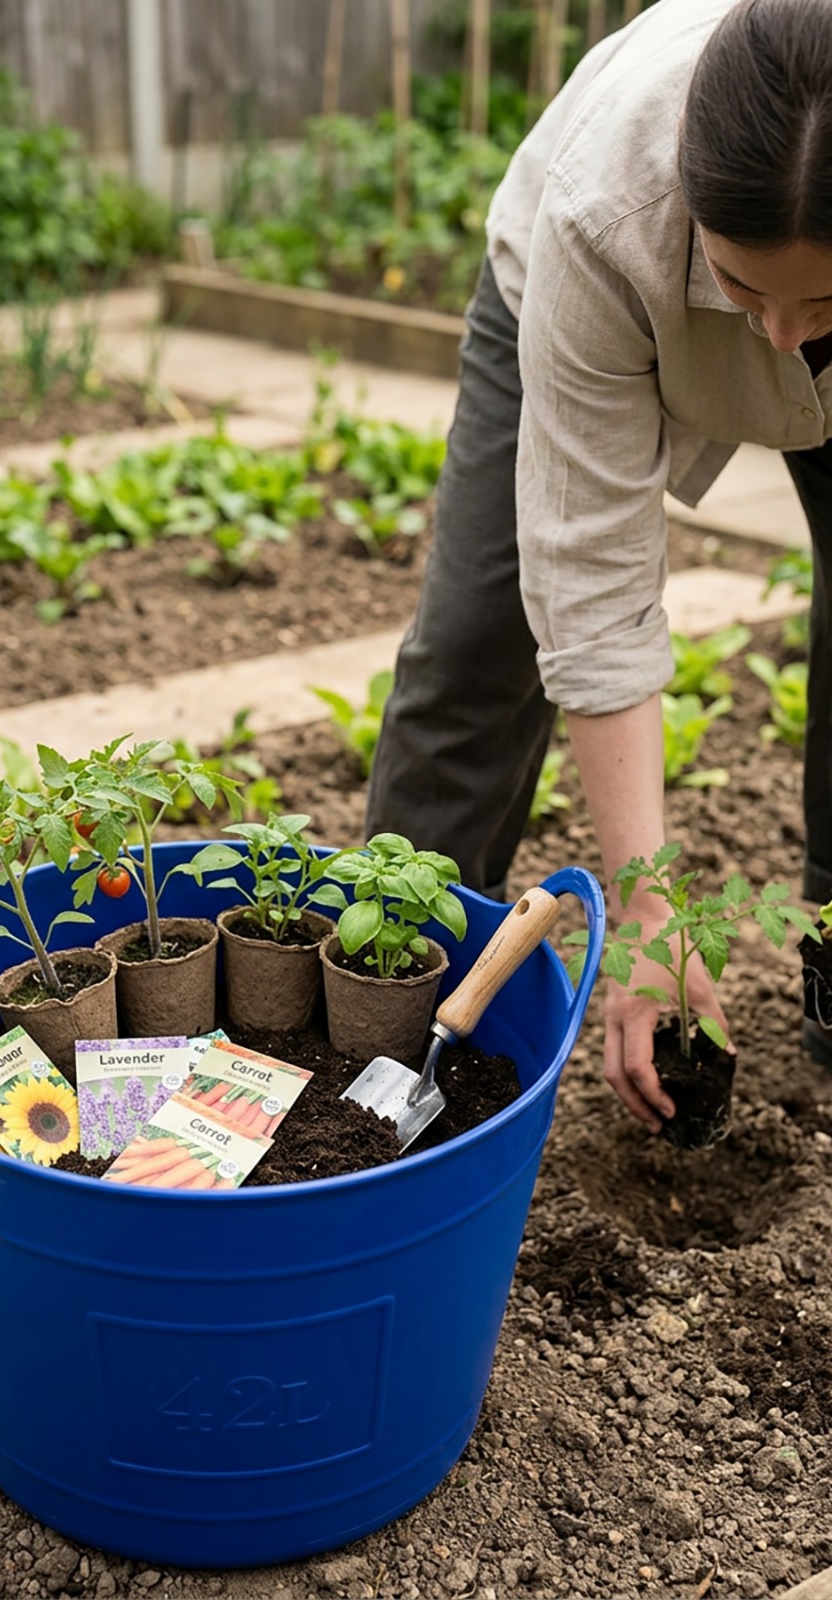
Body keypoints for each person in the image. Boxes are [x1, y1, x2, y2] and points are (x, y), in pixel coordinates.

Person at [366, 0, 832, 1133]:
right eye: (737, 286)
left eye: (816, 302)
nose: (776, 335)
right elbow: (590, 584)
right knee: (480, 641)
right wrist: (649, 915)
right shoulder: (600, 205)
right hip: (563, 294)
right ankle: (386, 1000)